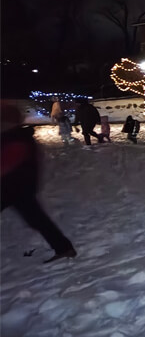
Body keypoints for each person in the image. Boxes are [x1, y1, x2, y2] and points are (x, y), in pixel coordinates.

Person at [1, 102, 77, 263]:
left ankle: (64, 248)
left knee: (38, 220)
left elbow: (5, 164)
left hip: (14, 188)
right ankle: (64, 248)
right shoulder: (15, 136)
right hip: (17, 187)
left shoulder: (16, 138)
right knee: (38, 220)